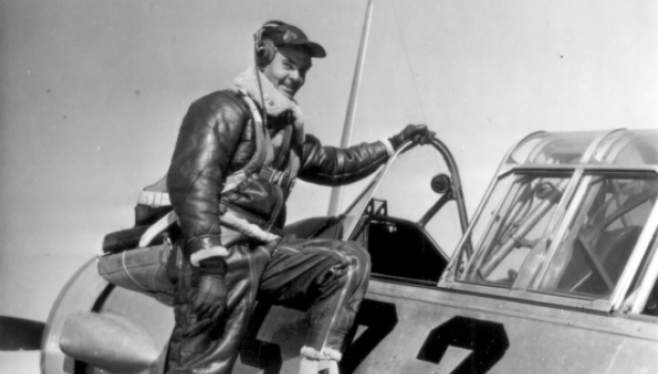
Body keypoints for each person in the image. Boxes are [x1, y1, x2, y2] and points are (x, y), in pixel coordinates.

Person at [160, 20, 434, 374]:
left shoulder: (286, 132)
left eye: (303, 70)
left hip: (263, 251)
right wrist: (210, 268)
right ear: (263, 56)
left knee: (348, 261)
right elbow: (192, 185)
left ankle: (318, 367)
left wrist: (394, 143)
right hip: (217, 252)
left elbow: (338, 164)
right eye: (288, 65)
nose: (297, 77)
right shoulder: (222, 109)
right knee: (203, 367)